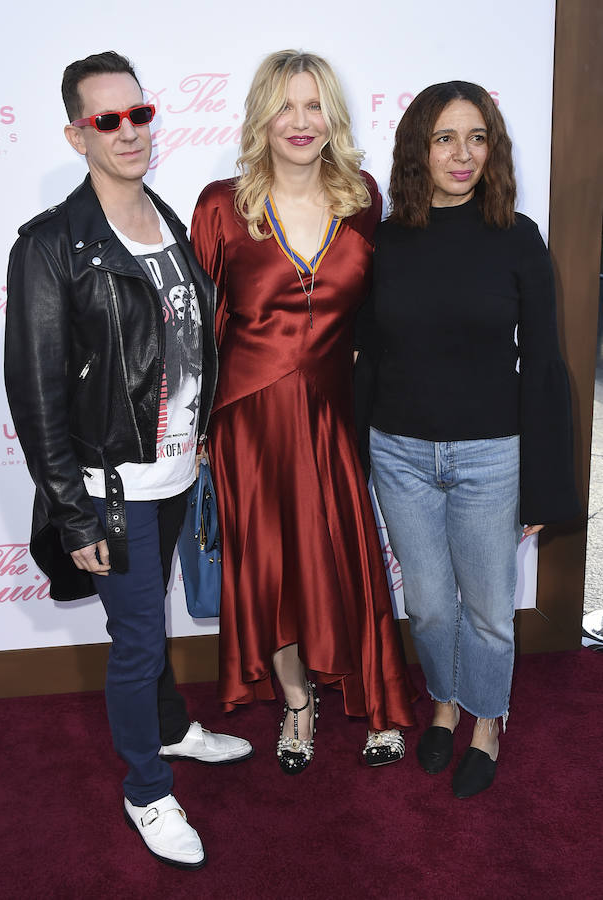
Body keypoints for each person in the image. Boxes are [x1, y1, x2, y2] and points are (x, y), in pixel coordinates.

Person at [4, 51, 253, 869]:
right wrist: (72, 512)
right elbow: (36, 394)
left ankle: (174, 729)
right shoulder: (51, 246)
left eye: (137, 114)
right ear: (77, 133)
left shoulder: (168, 221)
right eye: (106, 120)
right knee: (140, 638)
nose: (127, 132)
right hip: (110, 490)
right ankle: (146, 791)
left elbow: (180, 351)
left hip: (176, 472)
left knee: (154, 621)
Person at [190, 49, 416, 775]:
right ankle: (296, 704)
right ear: (262, 115)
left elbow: (378, 315)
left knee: (348, 561)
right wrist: (194, 432)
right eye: (284, 105)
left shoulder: (363, 199)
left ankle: (380, 700)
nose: (299, 121)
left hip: (330, 417)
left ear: (333, 118)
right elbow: (195, 327)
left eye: (313, 105)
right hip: (247, 425)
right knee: (269, 570)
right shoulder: (221, 205)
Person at [357, 81, 580, 798]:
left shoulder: (517, 238)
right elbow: (365, 354)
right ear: (419, 147)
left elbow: (545, 363)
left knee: (487, 607)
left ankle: (487, 718)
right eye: (445, 137)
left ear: (494, 148)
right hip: (400, 453)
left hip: (491, 455)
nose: (462, 153)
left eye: (477, 137)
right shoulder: (385, 239)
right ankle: (446, 706)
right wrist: (353, 454)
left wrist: (546, 480)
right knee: (425, 603)